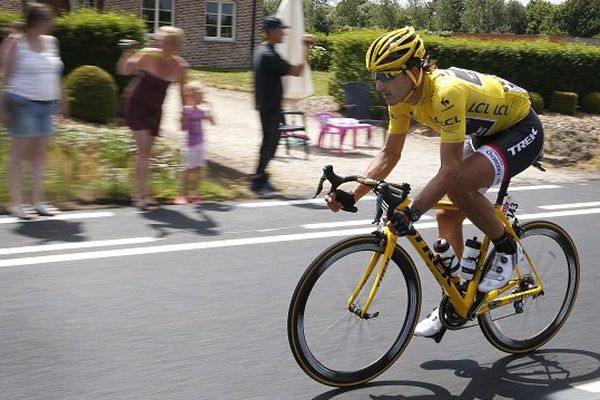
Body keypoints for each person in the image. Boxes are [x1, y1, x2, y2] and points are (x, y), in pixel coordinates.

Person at [325, 26, 544, 338]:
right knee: (447, 213)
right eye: (376, 75)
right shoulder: (400, 98)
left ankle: (507, 249)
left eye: (387, 75)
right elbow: (389, 154)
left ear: (414, 72)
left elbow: (450, 170)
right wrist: (353, 195)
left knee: (459, 185)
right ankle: (458, 298)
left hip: (522, 129)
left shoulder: (445, 93)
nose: (379, 84)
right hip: (485, 133)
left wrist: (412, 212)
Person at [0, 2, 65, 220]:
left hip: (46, 105)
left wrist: (61, 101)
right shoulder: (16, 43)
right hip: (23, 102)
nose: (51, 24)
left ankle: (39, 202)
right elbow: (5, 78)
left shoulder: (51, 43)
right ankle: (16, 204)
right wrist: (2, 108)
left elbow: (56, 74)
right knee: (19, 155)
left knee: (39, 155)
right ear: (37, 22)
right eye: (48, 20)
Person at [117, 26, 189, 211]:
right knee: (143, 151)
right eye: (159, 41)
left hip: (155, 110)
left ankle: (142, 192)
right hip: (137, 105)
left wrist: (183, 115)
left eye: (164, 42)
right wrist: (128, 52)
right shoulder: (148, 55)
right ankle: (141, 196)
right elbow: (124, 70)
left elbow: (182, 91)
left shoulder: (180, 66)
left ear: (174, 46)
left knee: (147, 152)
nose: (159, 45)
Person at [251, 16, 313, 197]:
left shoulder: (264, 50)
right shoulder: (268, 55)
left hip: (270, 106)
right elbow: (297, 71)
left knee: (271, 142)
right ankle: (258, 181)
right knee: (269, 144)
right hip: (269, 107)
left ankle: (261, 177)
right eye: (280, 29)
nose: (284, 33)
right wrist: (305, 47)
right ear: (271, 31)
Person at [174, 80, 215, 205]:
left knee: (198, 169)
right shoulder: (186, 110)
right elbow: (183, 128)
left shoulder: (203, 110)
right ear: (192, 96)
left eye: (202, 95)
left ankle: (195, 194)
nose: (202, 98)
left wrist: (210, 110)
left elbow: (213, 122)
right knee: (187, 170)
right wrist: (185, 117)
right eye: (200, 95)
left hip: (200, 143)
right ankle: (182, 194)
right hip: (189, 145)